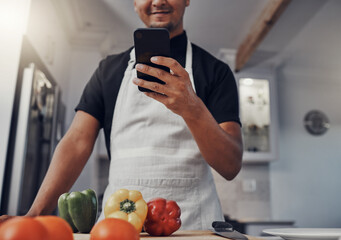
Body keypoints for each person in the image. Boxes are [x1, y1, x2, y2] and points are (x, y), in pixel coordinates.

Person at [1, 0, 243, 230]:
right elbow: (76, 142)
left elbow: (230, 166)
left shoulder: (216, 72)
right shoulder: (108, 70)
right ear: (134, 3)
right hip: (118, 225)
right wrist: (34, 215)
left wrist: (193, 109)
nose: (158, 1)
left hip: (193, 225)